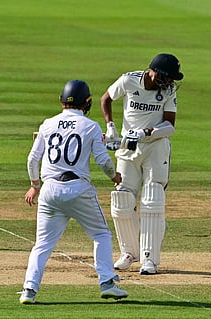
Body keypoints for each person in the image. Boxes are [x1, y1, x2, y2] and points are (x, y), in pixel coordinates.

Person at [19, 80, 129, 304]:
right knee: (101, 234)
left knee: (42, 244)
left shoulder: (48, 124)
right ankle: (107, 283)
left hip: (49, 190)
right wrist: (115, 177)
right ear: (86, 103)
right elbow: (103, 161)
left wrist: (34, 185)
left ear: (62, 100)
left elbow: (32, 159)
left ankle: (29, 290)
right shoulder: (90, 126)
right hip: (78, 189)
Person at [100, 53, 184, 275]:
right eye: (167, 77)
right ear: (154, 72)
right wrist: (110, 126)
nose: (169, 83)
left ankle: (149, 259)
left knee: (152, 199)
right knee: (122, 198)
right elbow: (106, 98)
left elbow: (170, 126)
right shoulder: (129, 80)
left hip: (155, 147)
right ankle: (129, 252)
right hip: (129, 146)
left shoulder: (168, 91)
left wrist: (146, 131)